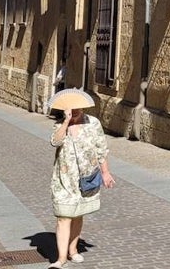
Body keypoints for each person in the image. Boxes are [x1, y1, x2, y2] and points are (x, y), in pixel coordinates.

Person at [49, 107, 115, 267]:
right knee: (63, 216)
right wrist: (66, 122)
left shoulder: (93, 123)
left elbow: (101, 149)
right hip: (64, 178)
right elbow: (54, 142)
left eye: (77, 108)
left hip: (85, 177)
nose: (75, 111)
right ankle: (61, 259)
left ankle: (73, 250)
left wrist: (105, 172)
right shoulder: (60, 124)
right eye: (71, 108)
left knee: (77, 214)